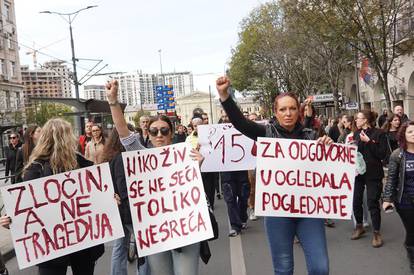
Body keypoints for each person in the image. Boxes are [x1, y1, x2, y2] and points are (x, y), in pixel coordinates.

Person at [216, 76, 332, 275]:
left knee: (320, 268)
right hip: (277, 212)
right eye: (282, 109)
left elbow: (327, 172)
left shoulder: (311, 135)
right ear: (275, 113)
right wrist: (224, 95)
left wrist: (328, 148)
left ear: (299, 111)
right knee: (284, 269)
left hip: (309, 212)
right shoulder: (265, 133)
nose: (288, 113)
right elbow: (240, 122)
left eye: (292, 109)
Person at [106, 80, 206, 275]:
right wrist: (113, 101)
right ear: (148, 134)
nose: (159, 134)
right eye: (154, 131)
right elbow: (123, 132)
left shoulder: (186, 155)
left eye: (164, 130)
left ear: (171, 133)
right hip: (155, 230)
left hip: (185, 228)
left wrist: (198, 166)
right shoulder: (141, 155)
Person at [1, 118, 105, 275]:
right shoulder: (37, 168)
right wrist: (12, 219)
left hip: (76, 239)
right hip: (58, 242)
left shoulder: (77, 162)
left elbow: (97, 192)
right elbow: (27, 206)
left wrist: (109, 198)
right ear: (65, 138)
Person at [100, 128, 149, 275]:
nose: (134, 137)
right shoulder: (122, 158)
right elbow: (123, 188)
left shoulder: (111, 156)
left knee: (120, 246)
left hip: (120, 211)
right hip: (128, 211)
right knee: (144, 246)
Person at [351, 110, 387, 248]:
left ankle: (377, 233)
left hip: (373, 174)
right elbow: (355, 153)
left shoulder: (379, 134)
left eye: (358, 118)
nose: (356, 121)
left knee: (372, 202)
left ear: (365, 120)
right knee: (355, 200)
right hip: (359, 174)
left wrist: (370, 142)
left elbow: (382, 154)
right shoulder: (356, 134)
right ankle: (359, 226)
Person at [383, 121, 414, 273]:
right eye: (410, 132)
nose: (413, 134)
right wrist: (387, 199)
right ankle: (413, 260)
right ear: (403, 135)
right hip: (405, 201)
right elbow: (391, 178)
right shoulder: (398, 155)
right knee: (412, 231)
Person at [219, 112, 250, 236]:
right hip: (227, 173)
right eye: (224, 116)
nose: (226, 118)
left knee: (243, 197)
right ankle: (235, 225)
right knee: (230, 199)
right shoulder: (216, 133)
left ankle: (242, 217)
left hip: (242, 171)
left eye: (228, 115)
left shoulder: (244, 130)